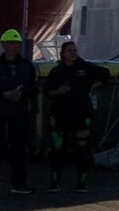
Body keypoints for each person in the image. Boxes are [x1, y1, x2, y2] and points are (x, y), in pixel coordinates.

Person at [0, 30, 39, 196]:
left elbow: (33, 89)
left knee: (18, 149)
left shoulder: (26, 66)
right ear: (3, 45)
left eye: (16, 44)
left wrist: (21, 94)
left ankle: (19, 183)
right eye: (10, 43)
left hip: (18, 113)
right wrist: (2, 94)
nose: (13, 47)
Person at [42, 41, 109, 192]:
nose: (73, 52)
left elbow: (105, 75)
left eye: (75, 50)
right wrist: (59, 92)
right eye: (69, 50)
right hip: (60, 113)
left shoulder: (86, 68)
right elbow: (47, 92)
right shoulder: (56, 71)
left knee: (83, 149)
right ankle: (55, 181)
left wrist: (90, 87)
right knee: (57, 149)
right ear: (63, 53)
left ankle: (82, 183)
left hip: (81, 113)